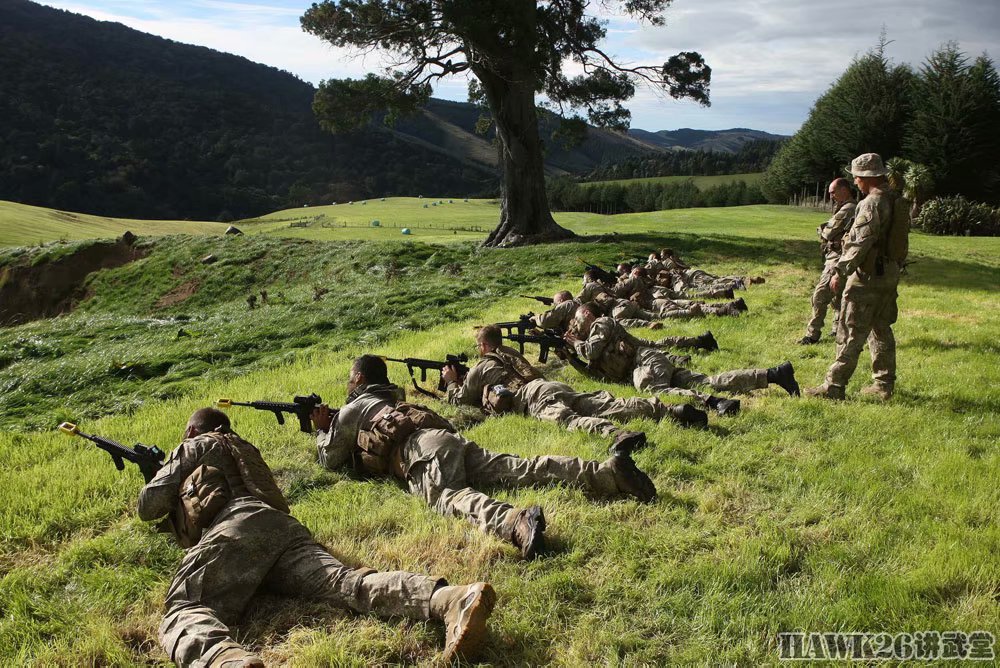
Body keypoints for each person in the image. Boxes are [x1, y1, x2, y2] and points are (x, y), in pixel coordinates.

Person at [138, 408, 495, 667]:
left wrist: (161, 473)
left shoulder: (193, 446)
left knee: (183, 607)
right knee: (348, 583)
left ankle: (225, 660)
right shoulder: (245, 449)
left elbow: (148, 506)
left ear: (191, 431)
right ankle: (450, 599)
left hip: (233, 528)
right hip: (282, 528)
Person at [313, 356, 658, 561]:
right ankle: (608, 473)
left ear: (358, 378)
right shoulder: (394, 395)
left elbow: (330, 459)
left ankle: (515, 523)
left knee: (449, 497)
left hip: (420, 452)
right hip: (449, 439)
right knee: (519, 467)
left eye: (349, 379)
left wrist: (320, 429)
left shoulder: (352, 409)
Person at [443, 325, 709, 441]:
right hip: (553, 386)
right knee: (607, 403)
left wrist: (452, 382)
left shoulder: (481, 366)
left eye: (479, 346)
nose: (478, 350)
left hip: (533, 398)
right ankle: (668, 410)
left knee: (568, 420)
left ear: (484, 345)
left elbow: (460, 400)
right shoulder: (511, 353)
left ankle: (615, 434)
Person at [565, 303, 801, 415]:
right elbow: (595, 371)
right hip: (649, 363)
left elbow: (592, 351)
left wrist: (576, 345)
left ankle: (712, 402)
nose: (579, 326)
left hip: (644, 363)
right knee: (709, 379)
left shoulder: (601, 323)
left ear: (586, 314)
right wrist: (569, 357)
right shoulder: (595, 336)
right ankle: (773, 374)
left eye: (579, 320)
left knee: (656, 390)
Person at [806, 153, 904, 400]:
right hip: (889, 275)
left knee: (850, 331)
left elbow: (860, 243)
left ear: (865, 177)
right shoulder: (895, 200)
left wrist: (840, 270)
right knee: (881, 329)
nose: (856, 182)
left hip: (868, 277)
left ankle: (834, 385)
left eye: (857, 178)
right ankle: (883, 385)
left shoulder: (871, 203)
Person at [799, 178, 857, 344]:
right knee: (837, 296)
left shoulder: (848, 209)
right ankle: (837, 328)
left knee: (820, 294)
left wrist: (822, 230)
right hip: (840, 257)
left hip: (837, 258)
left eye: (833, 192)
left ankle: (812, 334)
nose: (830, 196)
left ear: (844, 190)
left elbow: (828, 233)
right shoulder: (847, 208)